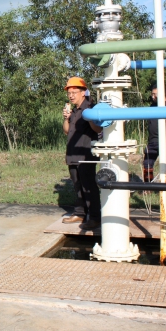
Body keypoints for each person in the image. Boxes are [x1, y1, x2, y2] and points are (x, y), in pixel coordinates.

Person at [62, 77, 103, 230]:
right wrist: (66, 118)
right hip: (73, 154)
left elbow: (98, 129)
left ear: (83, 92)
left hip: (86, 155)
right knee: (77, 186)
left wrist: (90, 117)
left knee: (89, 186)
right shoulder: (74, 111)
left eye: (74, 92)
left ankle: (95, 217)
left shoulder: (90, 108)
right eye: (69, 93)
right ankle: (80, 213)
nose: (71, 95)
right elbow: (66, 131)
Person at [143, 86, 166, 182]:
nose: (152, 96)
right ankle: (148, 186)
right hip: (152, 141)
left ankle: (165, 186)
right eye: (152, 94)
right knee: (147, 164)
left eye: (154, 94)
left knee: (165, 164)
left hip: (165, 141)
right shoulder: (152, 106)